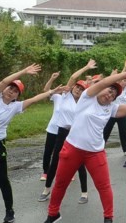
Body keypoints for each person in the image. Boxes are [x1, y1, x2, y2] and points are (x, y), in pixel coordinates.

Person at [40, 64, 126, 223]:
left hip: (95, 153)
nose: (110, 94)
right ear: (101, 90)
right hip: (72, 148)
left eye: (114, 94)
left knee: (104, 186)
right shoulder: (87, 97)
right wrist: (125, 74)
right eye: (109, 90)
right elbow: (103, 83)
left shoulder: (111, 108)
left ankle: (108, 218)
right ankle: (53, 214)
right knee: (60, 183)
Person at [0, 64, 62, 223]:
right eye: (10, 88)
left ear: (17, 96)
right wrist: (24, 71)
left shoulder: (16, 107)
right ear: (5, 90)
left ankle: (9, 211)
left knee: (2, 179)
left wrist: (52, 91)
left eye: (15, 91)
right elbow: (4, 80)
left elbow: (33, 99)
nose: (11, 91)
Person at [38, 59, 98, 204]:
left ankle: (84, 193)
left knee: (80, 164)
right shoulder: (65, 96)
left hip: (76, 134)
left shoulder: (85, 101)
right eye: (77, 87)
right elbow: (72, 78)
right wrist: (86, 67)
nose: (78, 90)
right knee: (55, 161)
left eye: (81, 89)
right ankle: (46, 190)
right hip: (62, 132)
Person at [39, 71, 61, 180]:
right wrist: (52, 78)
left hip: (66, 131)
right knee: (48, 151)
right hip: (53, 129)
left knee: (63, 153)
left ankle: (64, 171)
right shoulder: (58, 97)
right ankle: (45, 172)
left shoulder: (76, 101)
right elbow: (46, 91)